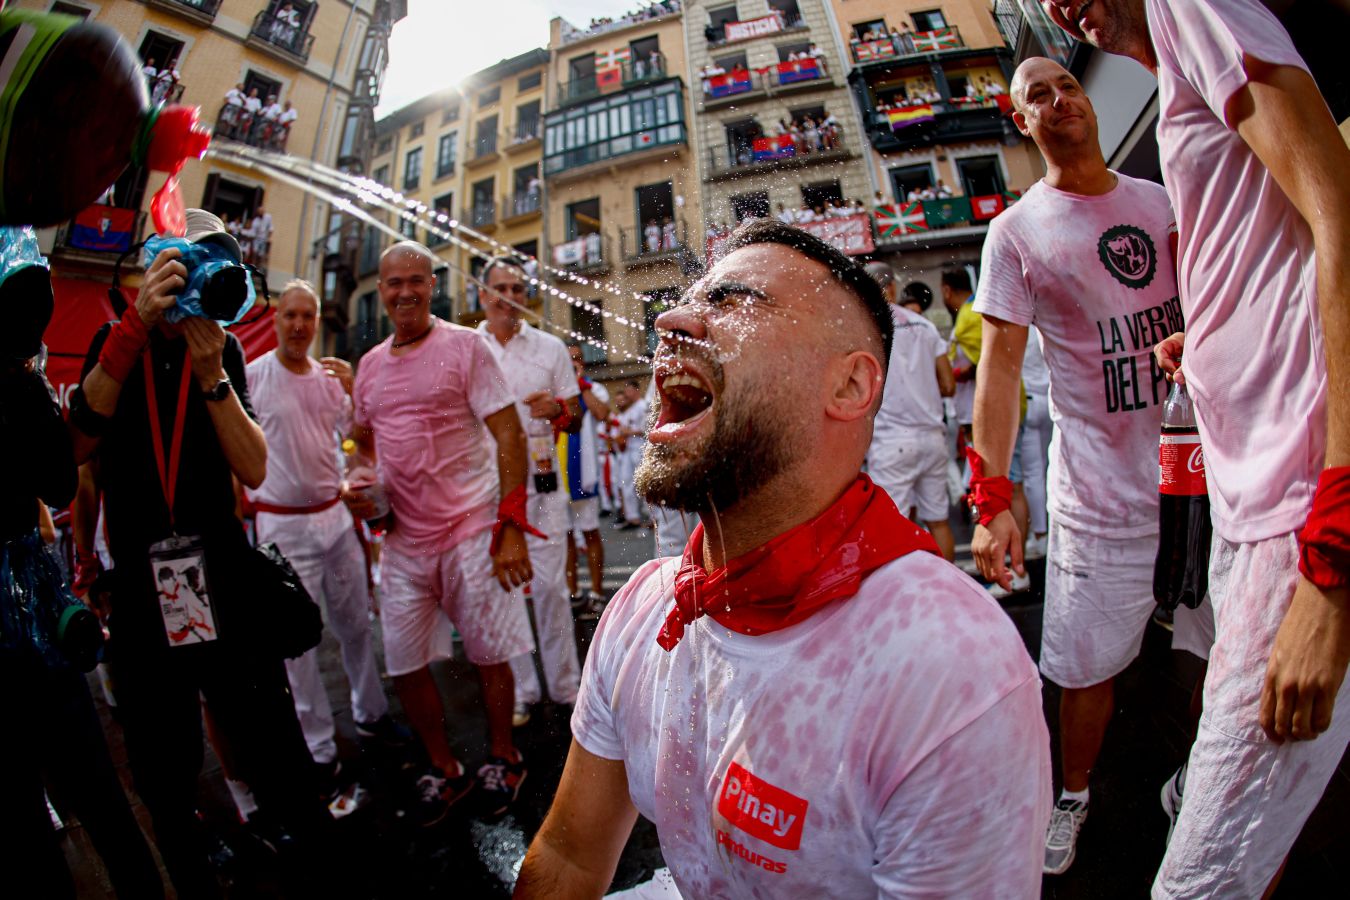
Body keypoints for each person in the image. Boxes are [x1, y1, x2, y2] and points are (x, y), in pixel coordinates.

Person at [514, 219, 1051, 899]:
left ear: (852, 387)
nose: (673, 319)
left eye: (735, 301)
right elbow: (566, 856)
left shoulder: (948, 672)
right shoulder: (646, 605)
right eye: (687, 301)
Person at [1040, 1, 1350, 895]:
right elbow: (1272, 243)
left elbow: (1340, 219)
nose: (1060, 5)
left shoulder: (1191, 5)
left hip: (1300, 503)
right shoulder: (1180, 59)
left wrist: (1333, 552)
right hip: (1254, 490)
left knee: (1198, 883)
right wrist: (1205, 339)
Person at [969, 56, 1209, 875]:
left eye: (1067, 85)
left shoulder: (1160, 202)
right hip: (1100, 501)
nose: (1061, 99)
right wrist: (992, 493)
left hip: (1199, 485)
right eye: (1039, 94)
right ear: (1021, 122)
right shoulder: (1018, 231)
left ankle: (1196, 780)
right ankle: (1072, 794)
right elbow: (999, 367)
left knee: (1228, 655)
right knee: (1083, 671)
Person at [68, 210, 332, 897]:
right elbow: (75, 447)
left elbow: (252, 468)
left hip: (221, 571)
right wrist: (128, 337)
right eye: (188, 265)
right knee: (162, 763)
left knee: (271, 742)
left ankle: (302, 855)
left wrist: (213, 373)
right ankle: (188, 863)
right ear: (155, 266)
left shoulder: (225, 348)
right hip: (140, 587)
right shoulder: (111, 338)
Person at [1, 227, 165, 899]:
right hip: (29, 638)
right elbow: (59, 478)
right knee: (99, 810)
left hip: (34, 630)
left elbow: (57, 482)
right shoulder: (11, 379)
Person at [346, 241, 535, 825]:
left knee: (489, 653)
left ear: (433, 286)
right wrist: (362, 478)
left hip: (471, 528)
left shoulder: (466, 345)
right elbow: (363, 440)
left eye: (416, 281)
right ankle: (443, 768)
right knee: (402, 664)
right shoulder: (371, 366)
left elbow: (510, 435)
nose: (405, 291)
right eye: (393, 282)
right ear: (381, 292)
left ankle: (504, 756)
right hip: (402, 541)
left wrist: (510, 527)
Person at [244, 281, 408, 793]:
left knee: (356, 621)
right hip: (282, 525)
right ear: (276, 320)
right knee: (296, 644)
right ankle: (316, 744)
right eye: (290, 315)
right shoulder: (252, 378)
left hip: (333, 519)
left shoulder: (328, 380)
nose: (298, 325)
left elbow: (356, 441)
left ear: (317, 322)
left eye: (307, 316)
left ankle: (371, 713)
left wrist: (353, 391)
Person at [475, 256, 584, 729]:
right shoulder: (467, 348)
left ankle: (566, 688)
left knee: (551, 590)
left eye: (518, 289)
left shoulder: (550, 347)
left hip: (542, 485)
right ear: (481, 295)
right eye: (500, 288)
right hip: (485, 491)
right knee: (502, 594)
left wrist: (558, 407)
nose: (510, 297)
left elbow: (576, 414)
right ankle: (524, 688)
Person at [945, 267, 1032, 596]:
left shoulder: (969, 316)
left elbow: (986, 368)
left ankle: (1014, 569)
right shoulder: (976, 312)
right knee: (1016, 485)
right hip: (1015, 407)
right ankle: (1016, 568)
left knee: (1007, 489)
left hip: (998, 416)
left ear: (947, 289)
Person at [864, 261, 956, 561]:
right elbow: (949, 385)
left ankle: (908, 599)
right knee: (938, 520)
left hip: (891, 442)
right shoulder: (925, 325)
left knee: (893, 527)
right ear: (892, 286)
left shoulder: (869, 329)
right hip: (932, 437)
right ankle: (953, 594)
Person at [563, 345, 611, 615]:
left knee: (590, 531)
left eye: (577, 359)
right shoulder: (556, 390)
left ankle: (596, 591)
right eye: (568, 359)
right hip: (560, 475)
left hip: (584, 474)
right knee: (565, 536)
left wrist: (581, 386)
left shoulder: (593, 388)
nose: (573, 363)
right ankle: (573, 592)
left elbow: (602, 413)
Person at [613, 380, 648, 529]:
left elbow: (647, 429)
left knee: (645, 483)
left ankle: (652, 516)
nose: (627, 393)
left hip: (639, 448)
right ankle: (632, 517)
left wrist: (629, 432)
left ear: (636, 390)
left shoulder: (643, 406)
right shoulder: (630, 410)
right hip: (627, 450)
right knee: (626, 483)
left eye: (629, 390)